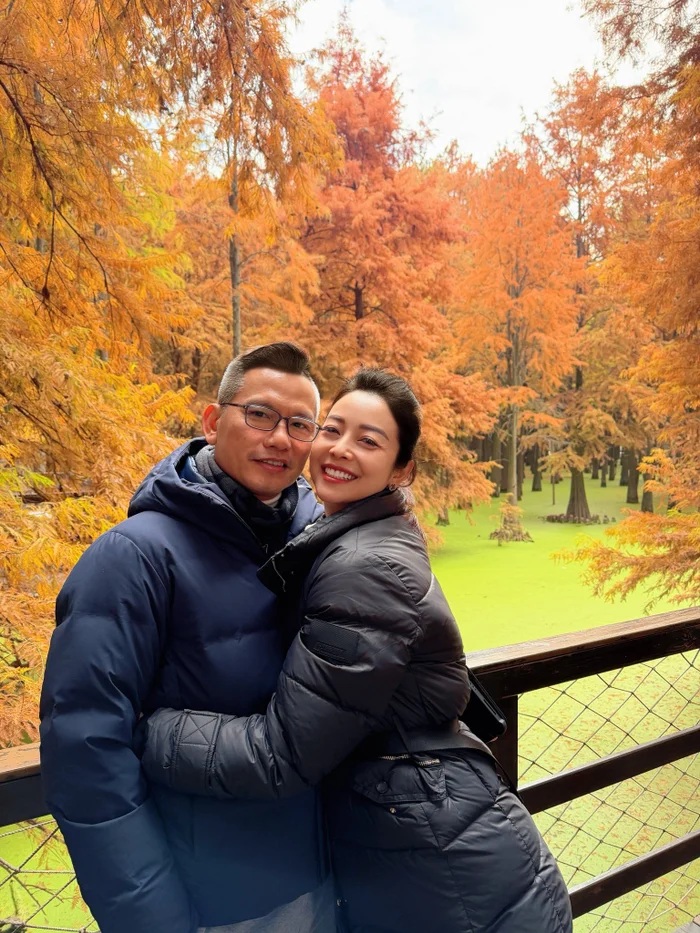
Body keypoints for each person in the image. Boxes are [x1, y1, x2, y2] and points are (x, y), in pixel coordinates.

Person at [141, 368, 574, 933]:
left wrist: (147, 728)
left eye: (369, 441)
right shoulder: (359, 534)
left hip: (454, 882)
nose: (341, 449)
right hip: (432, 847)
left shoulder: (363, 568)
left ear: (401, 469)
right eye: (332, 429)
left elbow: (282, 754)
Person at [39, 342, 335, 933]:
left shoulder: (320, 540)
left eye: (300, 424)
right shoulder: (133, 558)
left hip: (328, 878)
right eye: (260, 414)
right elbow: (85, 751)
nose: (280, 438)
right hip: (214, 904)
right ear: (212, 421)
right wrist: (153, 918)